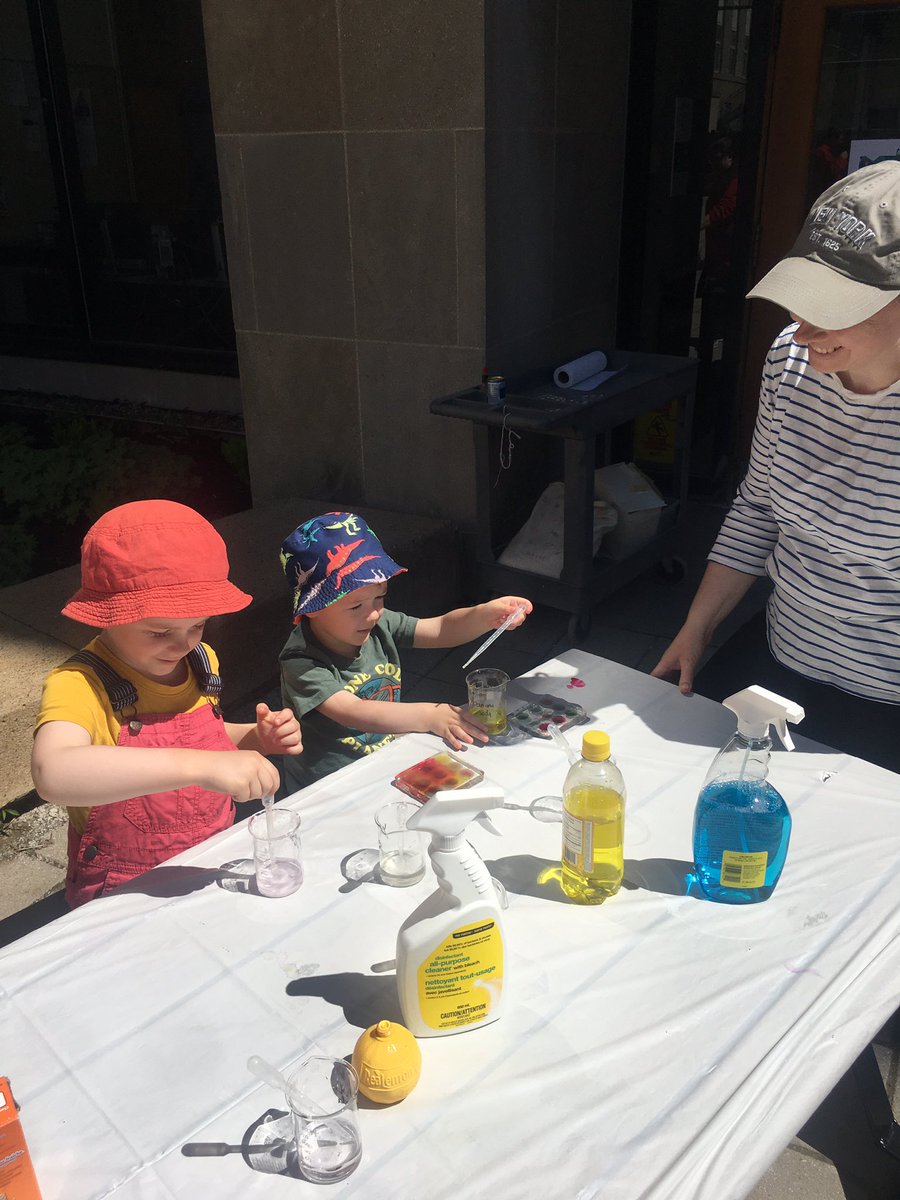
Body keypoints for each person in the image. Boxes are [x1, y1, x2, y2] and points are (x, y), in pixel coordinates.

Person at [653, 160, 900, 771]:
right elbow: (759, 503)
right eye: (801, 297)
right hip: (780, 658)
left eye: (834, 306)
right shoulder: (790, 362)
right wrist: (698, 627)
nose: (802, 325)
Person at [31, 500, 303, 907]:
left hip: (211, 855)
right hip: (124, 889)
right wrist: (201, 766)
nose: (183, 643)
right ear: (106, 614)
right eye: (159, 632)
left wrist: (252, 737)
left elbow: (204, 736)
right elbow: (53, 772)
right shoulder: (80, 685)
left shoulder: (201, 660)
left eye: (197, 625)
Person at [278, 512, 532, 789]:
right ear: (312, 609)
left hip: (382, 761)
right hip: (326, 784)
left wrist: (483, 615)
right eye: (355, 606)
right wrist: (428, 716)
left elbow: (438, 629)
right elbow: (352, 711)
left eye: (380, 597)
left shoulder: (378, 623)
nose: (373, 614)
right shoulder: (301, 660)